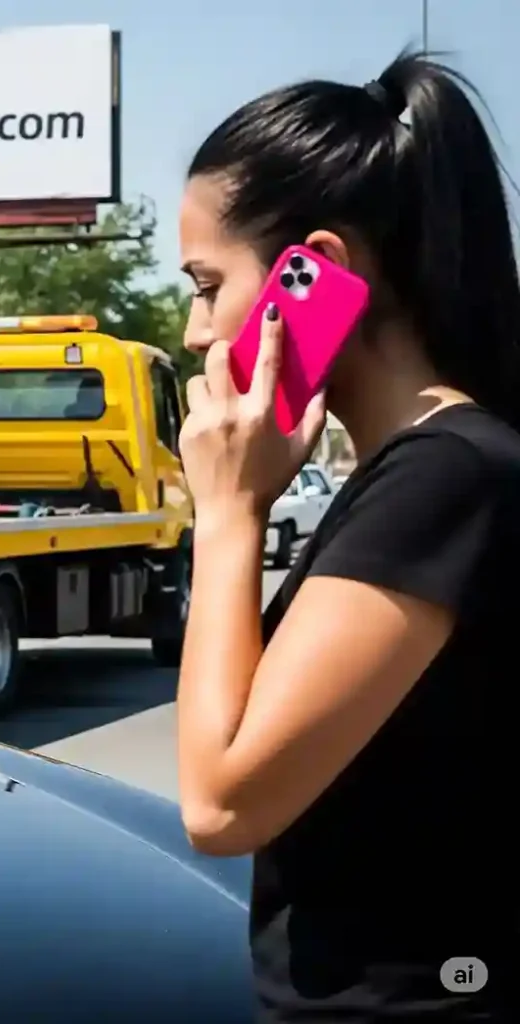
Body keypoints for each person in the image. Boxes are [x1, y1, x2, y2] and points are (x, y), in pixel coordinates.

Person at [174, 50, 520, 1021]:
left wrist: (230, 514)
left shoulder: (444, 476)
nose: (196, 331)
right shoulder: (423, 471)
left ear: (310, 273)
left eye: (206, 284)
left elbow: (223, 802)